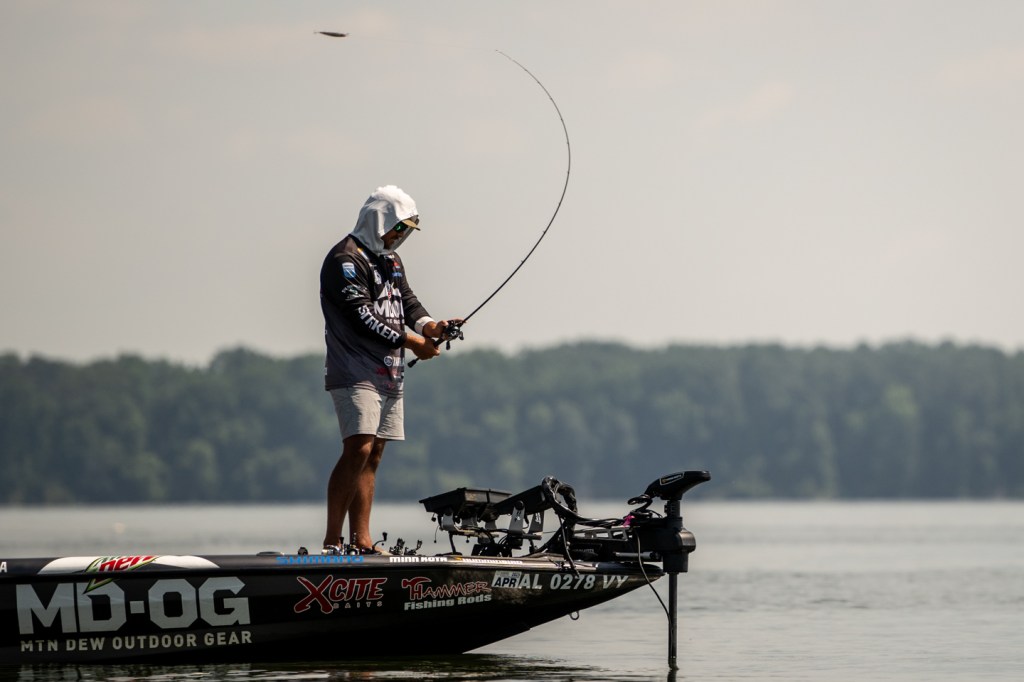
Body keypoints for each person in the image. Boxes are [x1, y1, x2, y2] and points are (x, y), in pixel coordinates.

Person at [319, 185, 459, 555]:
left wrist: (431, 327)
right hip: (354, 368)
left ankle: (362, 541)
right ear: (380, 220)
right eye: (399, 228)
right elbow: (361, 316)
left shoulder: (391, 260)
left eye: (407, 231)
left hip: (389, 371)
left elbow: (407, 301)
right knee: (359, 446)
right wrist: (414, 342)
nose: (400, 237)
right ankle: (332, 542)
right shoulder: (345, 259)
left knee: (375, 453)